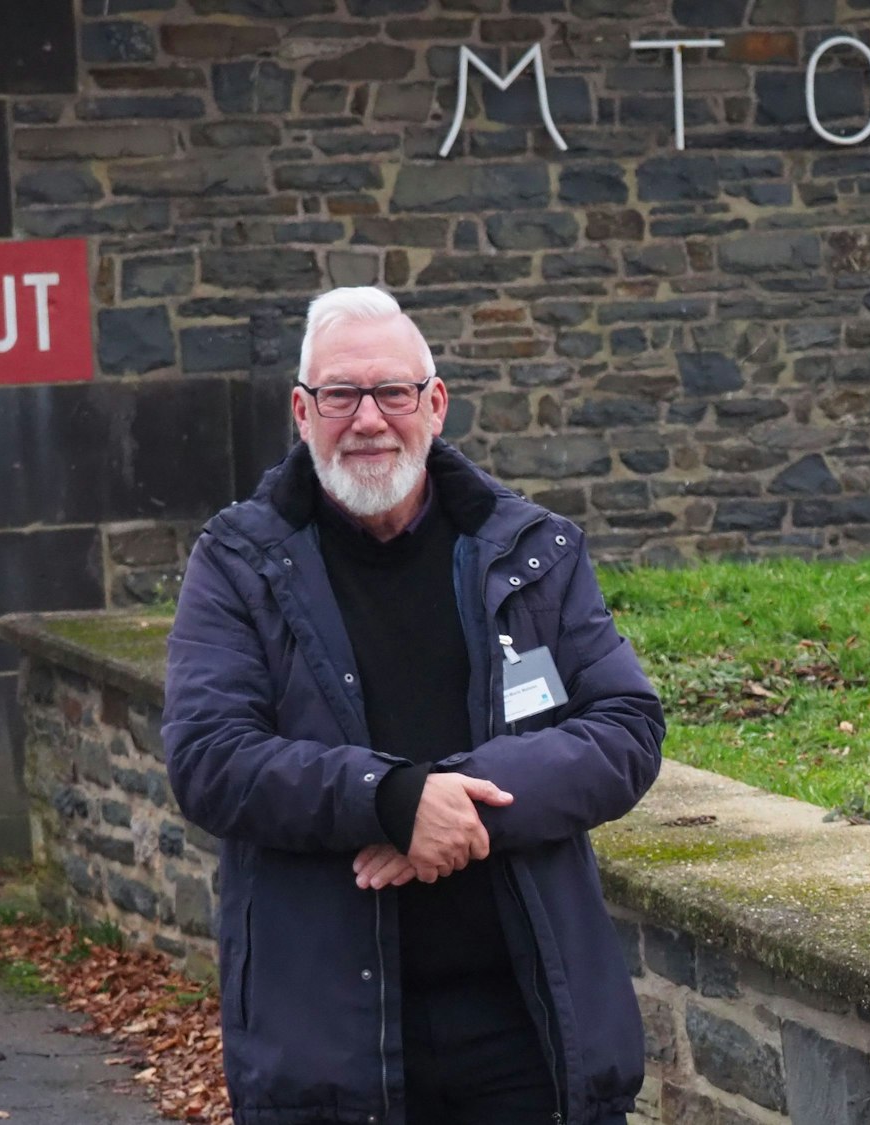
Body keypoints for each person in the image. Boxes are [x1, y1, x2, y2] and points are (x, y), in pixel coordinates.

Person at [163, 286, 665, 1125]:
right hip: (331, 1042)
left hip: (528, 1028)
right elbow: (210, 758)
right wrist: (389, 801)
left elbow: (625, 727)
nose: (368, 419)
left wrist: (458, 805)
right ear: (301, 410)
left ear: (434, 404)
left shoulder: (531, 550)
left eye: (392, 392)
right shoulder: (238, 562)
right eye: (340, 395)